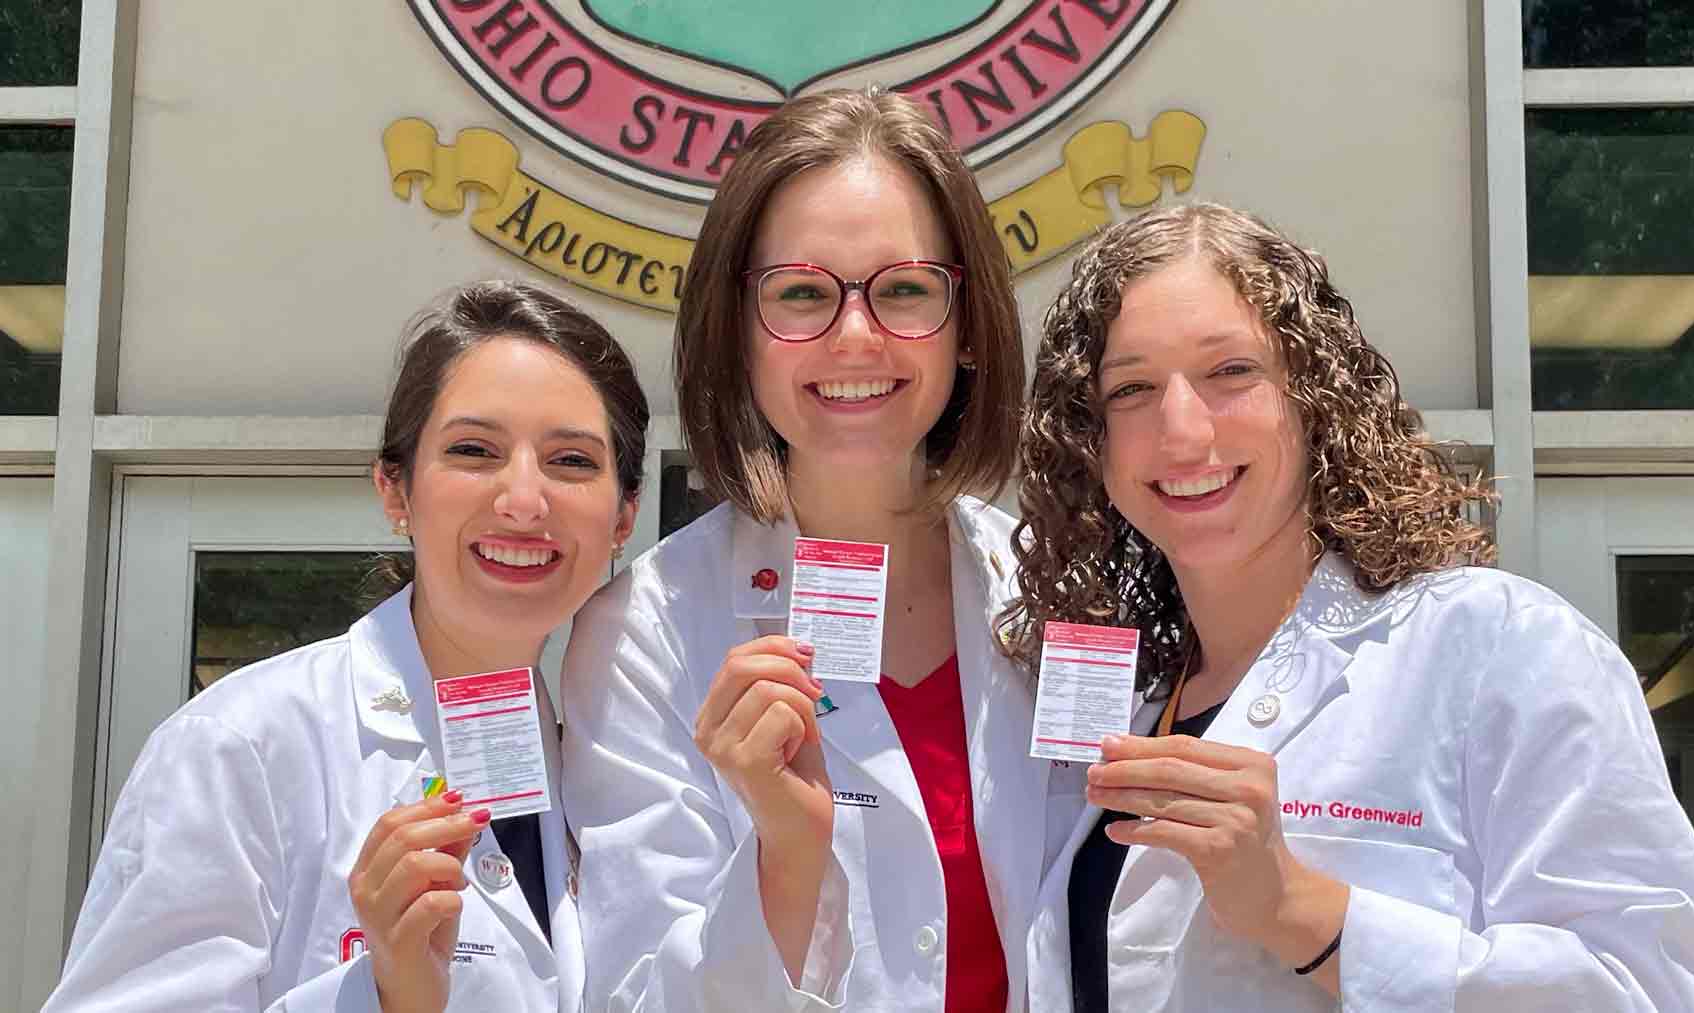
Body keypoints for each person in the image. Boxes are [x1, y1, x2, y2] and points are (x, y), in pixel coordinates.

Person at [996, 202, 1694, 1012]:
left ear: (1314, 398)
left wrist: (1303, 910)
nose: (1182, 430)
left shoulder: (1497, 648)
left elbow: (1679, 992)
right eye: (1132, 388)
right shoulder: (1123, 706)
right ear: (1090, 440)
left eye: (1231, 372)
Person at [559, 86, 1048, 1012]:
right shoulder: (644, 634)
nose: (855, 335)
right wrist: (785, 859)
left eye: (904, 289)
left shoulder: (1051, 591)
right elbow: (628, 995)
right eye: (801, 294)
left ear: (969, 326)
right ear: (738, 334)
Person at [43, 280, 649, 1012]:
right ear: (394, 491)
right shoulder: (244, 746)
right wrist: (382, 993)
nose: (524, 499)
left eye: (573, 461)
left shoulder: (615, 769)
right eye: (473, 449)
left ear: (623, 518)